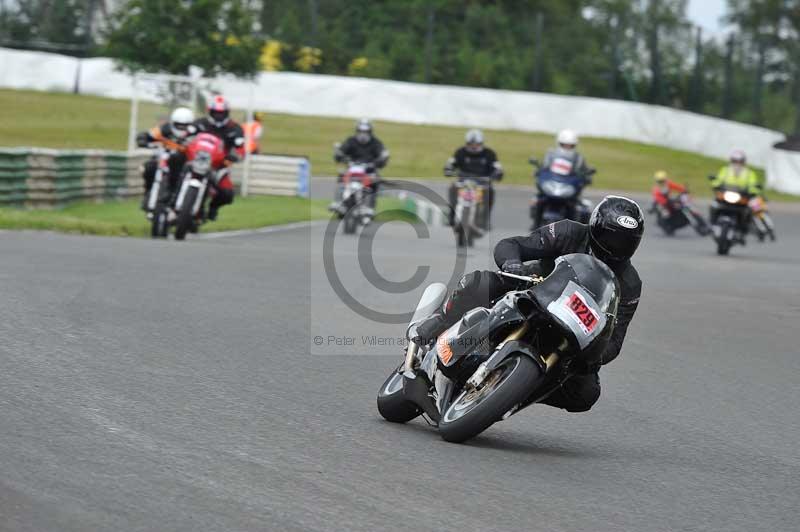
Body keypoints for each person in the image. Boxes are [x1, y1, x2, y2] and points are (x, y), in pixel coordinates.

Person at [412, 196, 644, 413]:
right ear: (596, 227)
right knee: (479, 283)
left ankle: (514, 390)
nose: (617, 247)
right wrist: (512, 263)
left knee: (585, 393)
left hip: (572, 329)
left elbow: (616, 339)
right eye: (612, 238)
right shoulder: (569, 232)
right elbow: (513, 244)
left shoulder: (630, 284)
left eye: (626, 242)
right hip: (533, 290)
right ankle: (435, 325)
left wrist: (596, 356)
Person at [194, 95, 245, 220]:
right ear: (210, 111)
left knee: (227, 194)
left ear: (227, 113)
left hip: (218, 165)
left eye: (221, 113)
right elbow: (186, 134)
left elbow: (240, 148)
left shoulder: (235, 128)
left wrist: (235, 156)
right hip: (195, 160)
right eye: (215, 113)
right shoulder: (200, 123)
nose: (218, 116)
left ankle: (213, 207)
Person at [136, 106, 196, 210]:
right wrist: (142, 140)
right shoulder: (164, 129)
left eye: (184, 126)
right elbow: (148, 135)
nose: (181, 128)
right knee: (148, 168)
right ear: (173, 123)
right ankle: (148, 192)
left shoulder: (195, 133)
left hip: (183, 164)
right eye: (178, 125)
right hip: (163, 159)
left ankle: (182, 201)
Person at [445, 129, 503, 229]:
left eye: (476, 144)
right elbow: (451, 164)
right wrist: (448, 169)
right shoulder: (460, 152)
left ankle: (486, 219)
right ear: (466, 143)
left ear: (481, 143)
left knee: (491, 191)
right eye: (470, 144)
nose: (473, 146)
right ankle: (452, 216)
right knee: (452, 187)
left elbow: (497, 167)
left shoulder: (489, 153)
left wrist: (497, 174)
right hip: (463, 181)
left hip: (482, 182)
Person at [330, 119, 389, 214]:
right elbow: (341, 151)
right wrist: (339, 154)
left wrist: (380, 160)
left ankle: (370, 207)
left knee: (375, 179)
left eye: (365, 132)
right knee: (341, 175)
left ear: (370, 132)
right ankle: (338, 201)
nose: (363, 134)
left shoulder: (376, 143)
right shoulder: (351, 141)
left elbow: (382, 155)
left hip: (369, 169)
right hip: (352, 167)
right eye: (361, 131)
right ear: (357, 131)